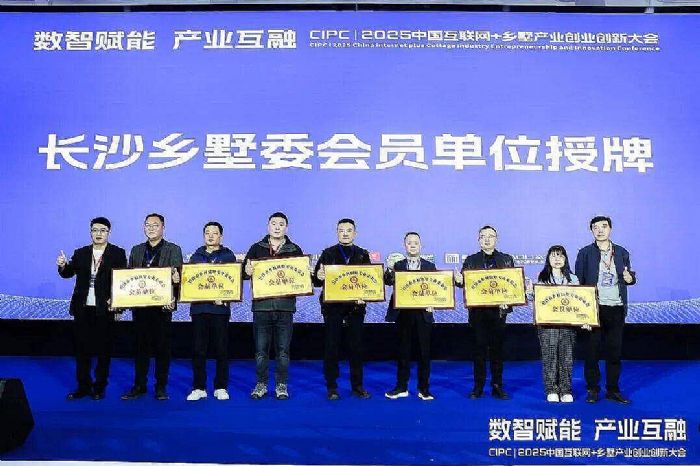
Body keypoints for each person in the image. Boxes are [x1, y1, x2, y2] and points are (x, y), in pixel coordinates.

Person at [57, 217, 127, 400]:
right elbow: (68, 273)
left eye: (103, 230)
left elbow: (122, 281)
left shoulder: (117, 253)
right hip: (82, 308)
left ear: (109, 232)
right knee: (82, 350)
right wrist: (62, 266)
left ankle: (99, 387)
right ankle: (83, 387)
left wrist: (118, 307)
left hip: (105, 309)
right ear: (90, 232)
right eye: (95, 230)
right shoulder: (80, 253)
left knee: (104, 351)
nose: (98, 233)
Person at [121, 213, 183, 401]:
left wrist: (175, 288)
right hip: (140, 308)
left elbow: (179, 278)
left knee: (162, 349)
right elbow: (129, 278)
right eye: (147, 225)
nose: (151, 228)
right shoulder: (137, 250)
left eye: (155, 225)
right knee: (140, 349)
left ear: (163, 227)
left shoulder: (173, 249)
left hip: (162, 307)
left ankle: (160, 387)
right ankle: (139, 385)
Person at [575, 215, 636, 404]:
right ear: (591, 231)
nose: (600, 230)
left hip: (616, 308)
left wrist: (630, 279)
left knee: (614, 353)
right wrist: (583, 314)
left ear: (610, 229)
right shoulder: (584, 253)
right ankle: (592, 389)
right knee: (592, 352)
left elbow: (628, 276)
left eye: (604, 226)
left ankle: (613, 390)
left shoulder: (622, 252)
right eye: (595, 227)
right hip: (594, 309)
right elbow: (579, 284)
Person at [243, 212, 303, 400]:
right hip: (262, 308)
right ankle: (261, 384)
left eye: (281, 224)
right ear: (268, 226)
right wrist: (246, 270)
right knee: (261, 352)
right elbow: (244, 273)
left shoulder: (295, 249)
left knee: (283, 352)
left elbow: (300, 278)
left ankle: (281, 385)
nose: (277, 227)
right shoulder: (256, 248)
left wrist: (306, 273)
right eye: (274, 223)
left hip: (285, 308)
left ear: (286, 227)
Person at [313, 218, 372, 400]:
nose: (345, 233)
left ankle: (357, 386)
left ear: (355, 233)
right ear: (337, 233)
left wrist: (365, 295)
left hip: (356, 309)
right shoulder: (328, 253)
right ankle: (331, 387)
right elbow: (316, 281)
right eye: (341, 230)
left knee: (356, 348)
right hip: (333, 309)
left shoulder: (362, 254)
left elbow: (370, 281)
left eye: (349, 230)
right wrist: (318, 275)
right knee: (332, 348)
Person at [454, 225, 513, 400]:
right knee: (479, 351)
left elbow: (512, 285)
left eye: (490, 236)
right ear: (478, 240)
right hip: (478, 313)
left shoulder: (506, 259)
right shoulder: (471, 260)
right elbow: (464, 283)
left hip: (498, 313)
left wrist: (510, 299)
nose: (487, 239)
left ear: (496, 239)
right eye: (483, 236)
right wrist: (459, 281)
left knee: (497, 352)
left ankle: (497, 386)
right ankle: (478, 387)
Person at [527, 245, 589, 403]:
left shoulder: (573, 279)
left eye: (560, 256)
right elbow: (536, 299)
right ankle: (551, 389)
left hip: (568, 324)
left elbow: (580, 301)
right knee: (549, 357)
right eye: (553, 256)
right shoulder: (542, 277)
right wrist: (529, 291)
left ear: (565, 259)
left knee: (567, 358)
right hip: (548, 325)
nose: (557, 259)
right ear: (548, 259)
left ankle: (566, 390)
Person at [186, 221, 237, 402]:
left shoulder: (228, 256)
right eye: (207, 232)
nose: (210, 236)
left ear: (220, 236)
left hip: (220, 310)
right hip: (199, 309)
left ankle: (220, 387)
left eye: (214, 233)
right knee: (198, 350)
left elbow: (233, 283)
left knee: (221, 350)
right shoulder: (195, 257)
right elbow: (190, 282)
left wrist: (226, 297)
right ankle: (198, 387)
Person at [383, 232, 435, 401]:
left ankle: (424, 389)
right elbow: (388, 281)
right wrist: (389, 269)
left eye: (415, 242)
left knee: (424, 353)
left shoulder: (429, 266)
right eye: (409, 243)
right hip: (402, 313)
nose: (412, 245)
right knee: (403, 352)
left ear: (421, 245)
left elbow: (435, 289)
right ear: (404, 246)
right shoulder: (397, 265)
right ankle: (401, 387)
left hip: (423, 314)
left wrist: (433, 302)